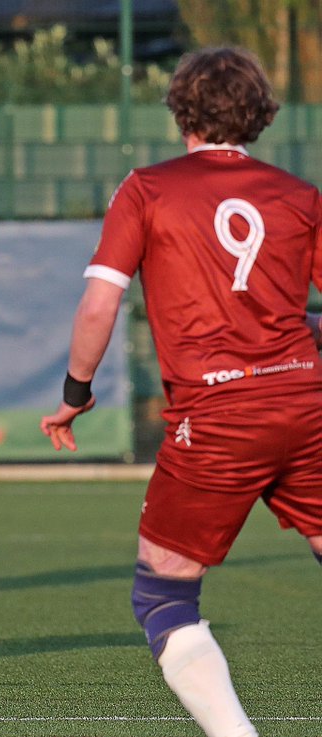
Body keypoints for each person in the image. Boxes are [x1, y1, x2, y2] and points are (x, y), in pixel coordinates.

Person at [40, 48, 322, 737]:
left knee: (164, 591)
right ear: (258, 113)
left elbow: (100, 306)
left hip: (218, 415)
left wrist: (76, 390)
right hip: (306, 401)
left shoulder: (148, 188)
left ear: (180, 111)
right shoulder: (299, 195)